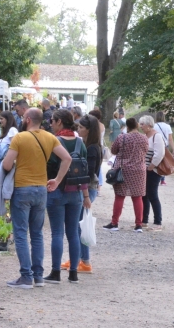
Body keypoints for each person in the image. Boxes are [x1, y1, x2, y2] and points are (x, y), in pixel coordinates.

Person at [2, 108, 71, 289]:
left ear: (27, 119)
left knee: (21, 233)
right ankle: (38, 276)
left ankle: (26, 277)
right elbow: (67, 158)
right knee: (37, 234)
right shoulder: (50, 138)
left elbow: (7, 164)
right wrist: (57, 180)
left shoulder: (20, 138)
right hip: (41, 189)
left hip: (22, 188)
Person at [43, 110, 91, 284]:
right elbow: (85, 171)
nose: (50, 124)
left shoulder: (55, 142)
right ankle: (73, 273)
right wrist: (86, 196)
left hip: (56, 191)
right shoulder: (80, 143)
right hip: (76, 192)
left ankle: (55, 272)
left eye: (52, 121)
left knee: (57, 233)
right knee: (73, 234)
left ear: (60, 122)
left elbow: (48, 166)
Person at [60, 114, 102, 274]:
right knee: (79, 224)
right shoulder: (89, 145)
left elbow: (89, 172)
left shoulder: (91, 148)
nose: (78, 130)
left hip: (87, 187)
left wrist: (83, 192)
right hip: (87, 187)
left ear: (89, 130)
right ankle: (78, 258)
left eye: (81, 128)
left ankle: (83, 260)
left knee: (79, 226)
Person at [102, 118, 149, 232]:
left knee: (119, 196)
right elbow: (146, 151)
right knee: (137, 197)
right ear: (137, 125)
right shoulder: (144, 138)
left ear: (126, 126)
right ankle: (138, 225)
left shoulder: (122, 137)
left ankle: (114, 223)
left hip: (123, 170)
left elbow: (113, 151)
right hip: (139, 170)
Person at [139, 115, 166, 231]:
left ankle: (158, 222)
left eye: (142, 124)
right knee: (144, 195)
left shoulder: (157, 136)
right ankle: (144, 220)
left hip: (153, 170)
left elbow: (159, 153)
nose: (141, 127)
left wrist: (151, 166)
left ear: (149, 125)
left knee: (152, 194)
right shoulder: (146, 136)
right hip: (145, 169)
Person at [154, 111, 174, 185]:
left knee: (156, 161)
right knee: (164, 162)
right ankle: (162, 179)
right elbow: (170, 139)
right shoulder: (167, 126)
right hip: (165, 146)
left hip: (156, 145)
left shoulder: (154, 126)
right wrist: (173, 149)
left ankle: (156, 176)